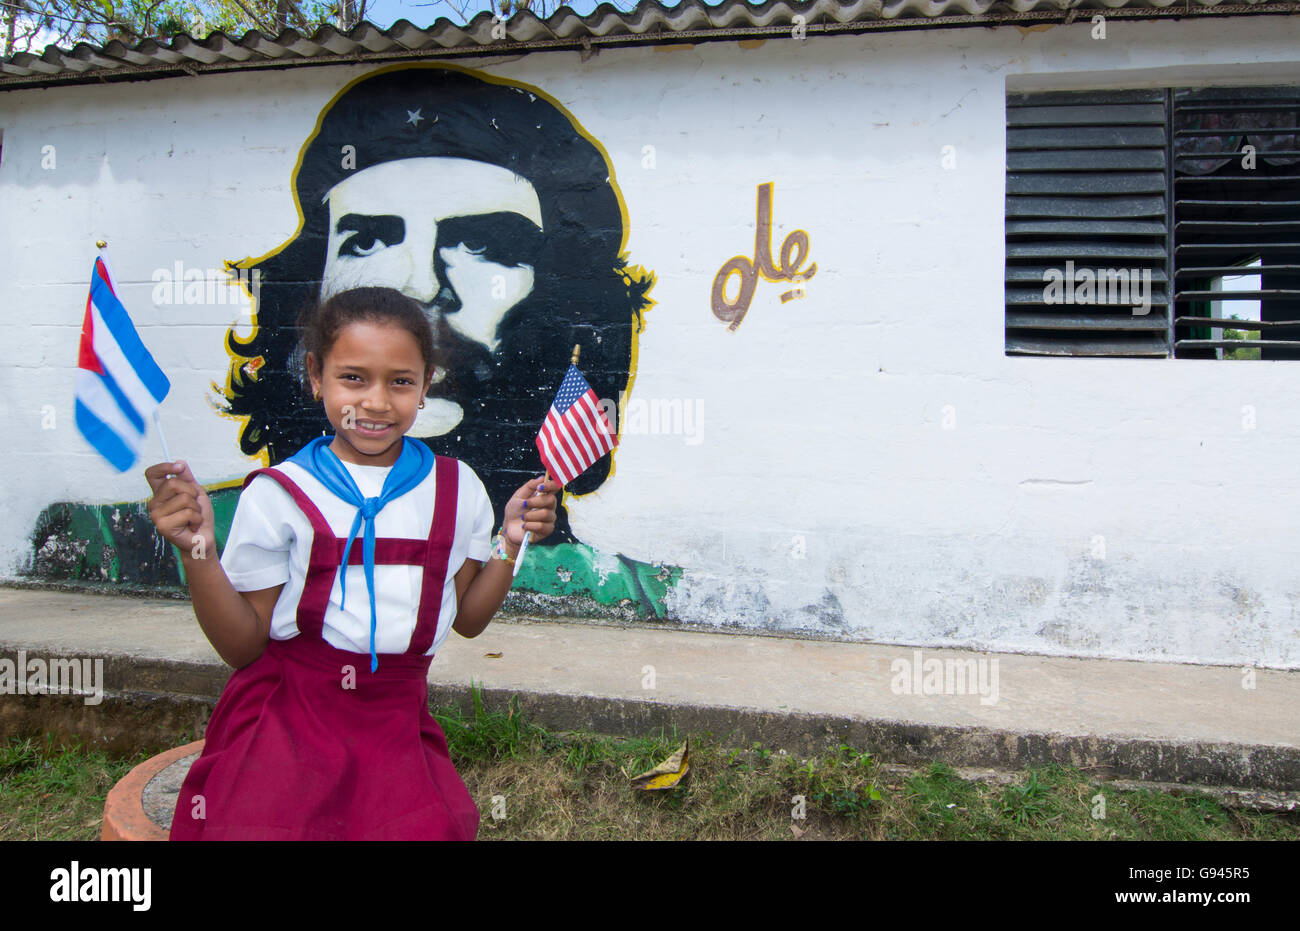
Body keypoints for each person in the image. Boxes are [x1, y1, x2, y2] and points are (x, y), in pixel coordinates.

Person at [144, 286, 557, 840]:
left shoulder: (457, 490)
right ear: (316, 375)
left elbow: (468, 619)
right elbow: (242, 647)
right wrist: (198, 552)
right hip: (287, 715)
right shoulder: (279, 493)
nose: (377, 402)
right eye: (353, 377)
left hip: (394, 720)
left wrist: (509, 543)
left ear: (426, 383)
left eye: (401, 381)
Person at [221, 64, 654, 538]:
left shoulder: (619, 587)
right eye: (367, 241)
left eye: (483, 245)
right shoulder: (248, 519)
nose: (422, 286)